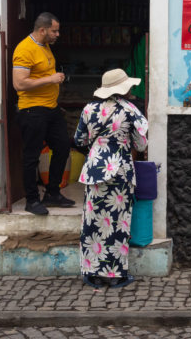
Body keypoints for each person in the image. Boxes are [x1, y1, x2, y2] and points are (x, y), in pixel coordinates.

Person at [73, 68, 148, 289]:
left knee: (93, 221)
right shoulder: (130, 110)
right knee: (118, 222)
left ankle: (92, 273)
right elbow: (141, 144)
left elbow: (79, 140)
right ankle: (116, 275)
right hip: (121, 172)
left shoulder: (88, 109)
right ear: (123, 89)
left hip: (95, 170)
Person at [12, 12, 76, 216]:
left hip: (51, 108)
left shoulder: (45, 46)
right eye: (54, 31)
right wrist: (50, 80)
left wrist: (54, 79)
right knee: (32, 156)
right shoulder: (25, 49)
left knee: (63, 147)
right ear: (42, 30)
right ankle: (32, 200)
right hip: (32, 110)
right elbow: (19, 83)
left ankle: (52, 193)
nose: (57, 34)